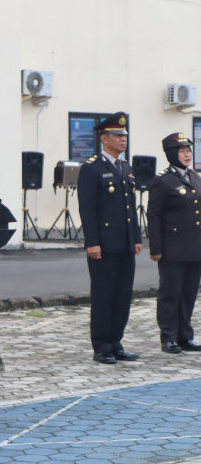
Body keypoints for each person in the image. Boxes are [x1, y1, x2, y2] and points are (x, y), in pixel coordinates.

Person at [77, 111, 142, 365]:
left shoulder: (125, 167)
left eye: (124, 135)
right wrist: (92, 242)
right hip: (103, 244)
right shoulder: (92, 168)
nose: (122, 140)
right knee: (104, 294)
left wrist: (136, 237)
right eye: (117, 135)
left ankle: (116, 341)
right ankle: (102, 345)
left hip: (125, 243)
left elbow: (131, 207)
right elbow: (87, 209)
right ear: (104, 138)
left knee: (123, 294)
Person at [147, 132, 201, 354]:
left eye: (189, 150)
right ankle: (168, 337)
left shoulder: (195, 176)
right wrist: (156, 248)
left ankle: (185, 336)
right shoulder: (163, 180)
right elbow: (154, 215)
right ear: (171, 154)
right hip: (173, 248)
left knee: (188, 294)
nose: (187, 154)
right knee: (171, 293)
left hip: (195, 247)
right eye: (182, 151)